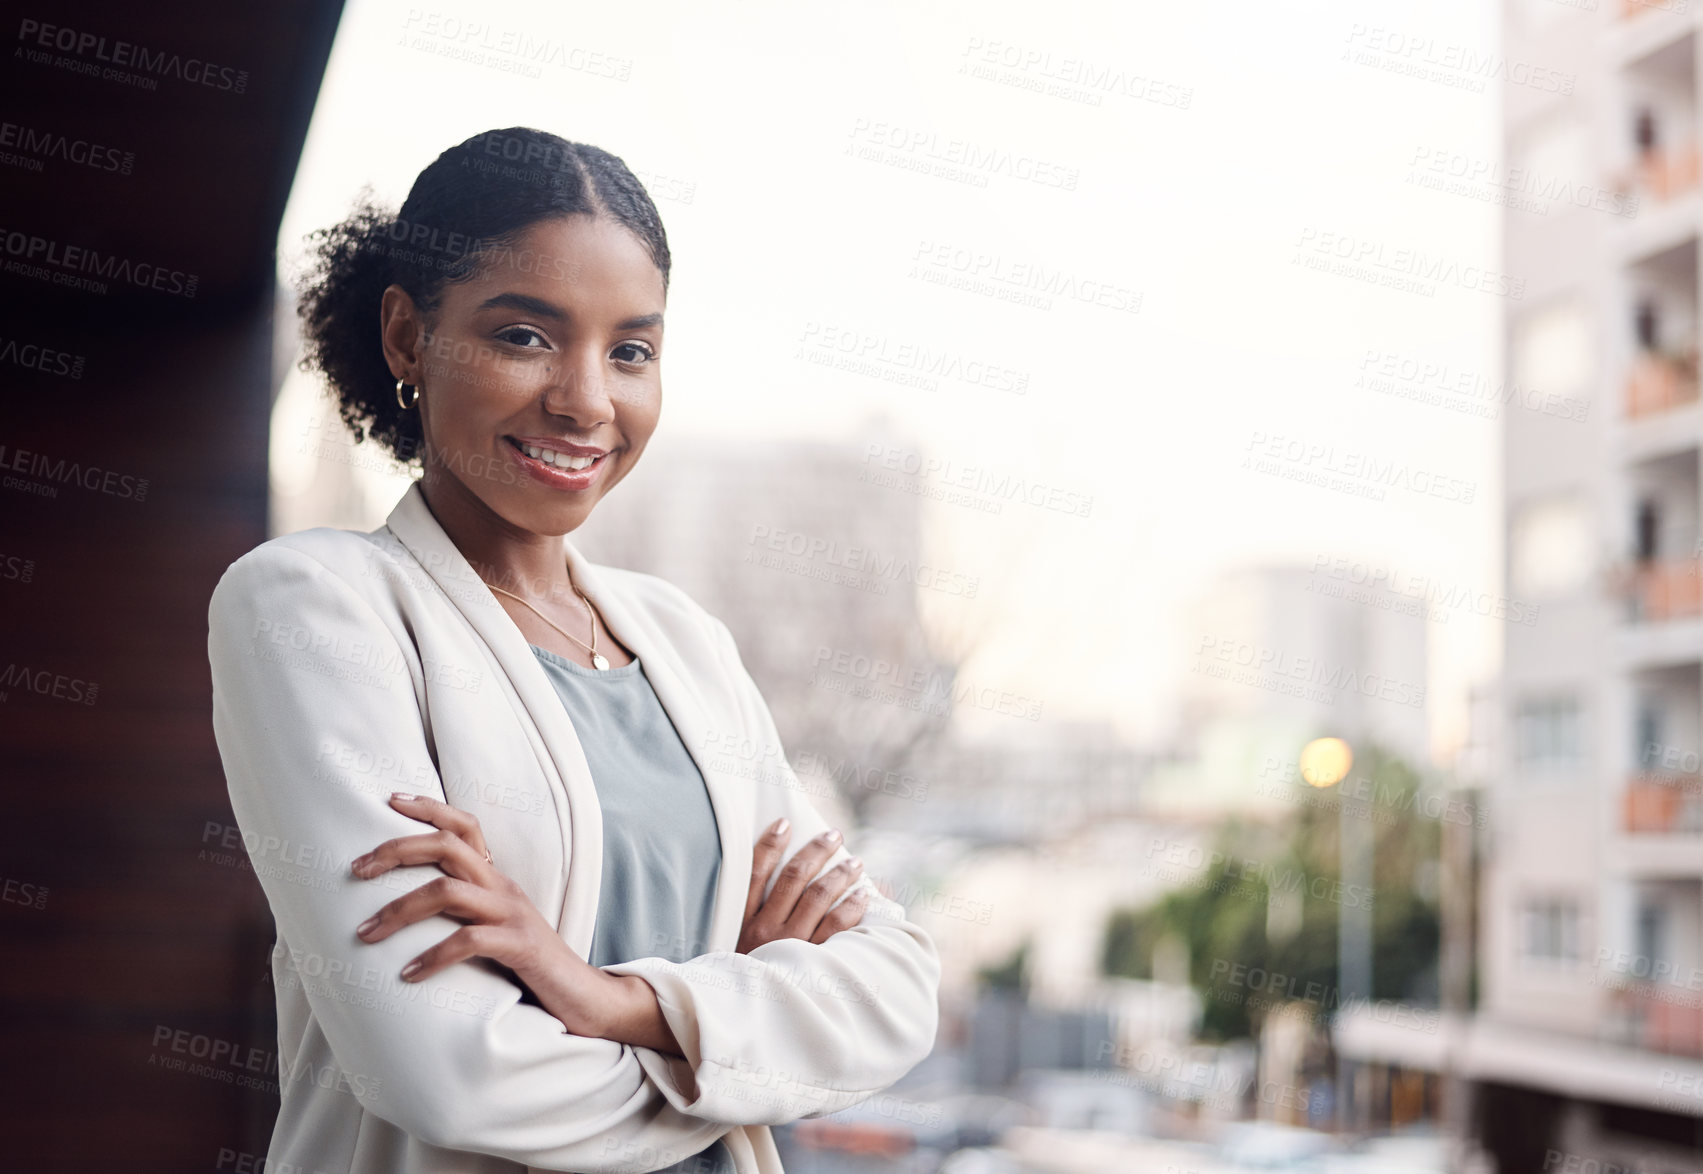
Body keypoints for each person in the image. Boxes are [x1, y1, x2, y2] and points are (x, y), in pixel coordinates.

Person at [206, 126, 940, 1174]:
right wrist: (735, 1038)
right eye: (525, 337)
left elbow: (899, 987)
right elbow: (455, 1079)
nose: (588, 400)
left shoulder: (685, 644)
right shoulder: (316, 606)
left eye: (630, 350)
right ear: (409, 337)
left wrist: (605, 997)